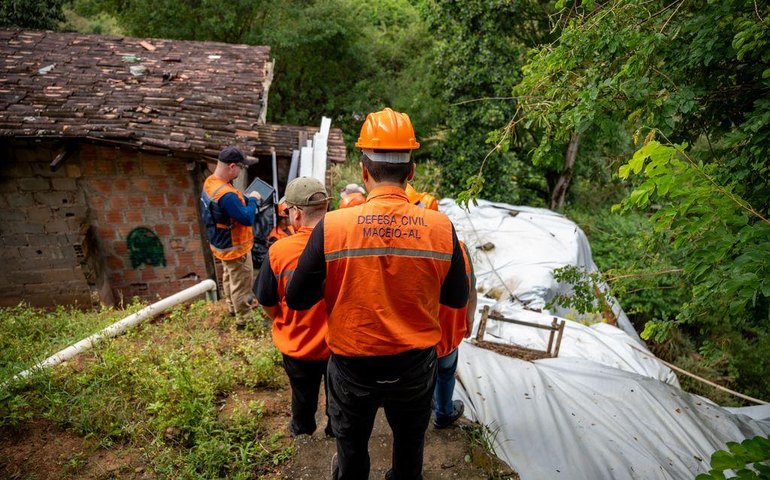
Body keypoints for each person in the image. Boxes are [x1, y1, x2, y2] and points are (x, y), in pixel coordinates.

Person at [286, 107, 469, 480]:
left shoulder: (334, 226)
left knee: (351, 449)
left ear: (364, 171)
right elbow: (455, 299)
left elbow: (297, 298)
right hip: (415, 365)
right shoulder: (440, 226)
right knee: (409, 449)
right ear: (411, 171)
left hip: (353, 366)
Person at [255, 177, 333, 437]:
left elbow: (266, 300)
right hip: (339, 346)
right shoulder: (344, 244)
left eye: (288, 211)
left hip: (298, 345)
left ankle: (303, 431)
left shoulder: (279, 251)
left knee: (302, 396)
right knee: (339, 396)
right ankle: (335, 429)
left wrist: (283, 318)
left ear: (297, 213)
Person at [200, 146, 260, 327]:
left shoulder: (210, 182)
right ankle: (244, 318)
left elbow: (228, 207)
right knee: (241, 282)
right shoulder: (228, 195)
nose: (241, 172)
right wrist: (254, 200)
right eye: (241, 168)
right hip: (235, 247)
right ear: (232, 166)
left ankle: (232, 307)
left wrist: (244, 199)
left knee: (229, 276)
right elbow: (247, 218)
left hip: (220, 243)